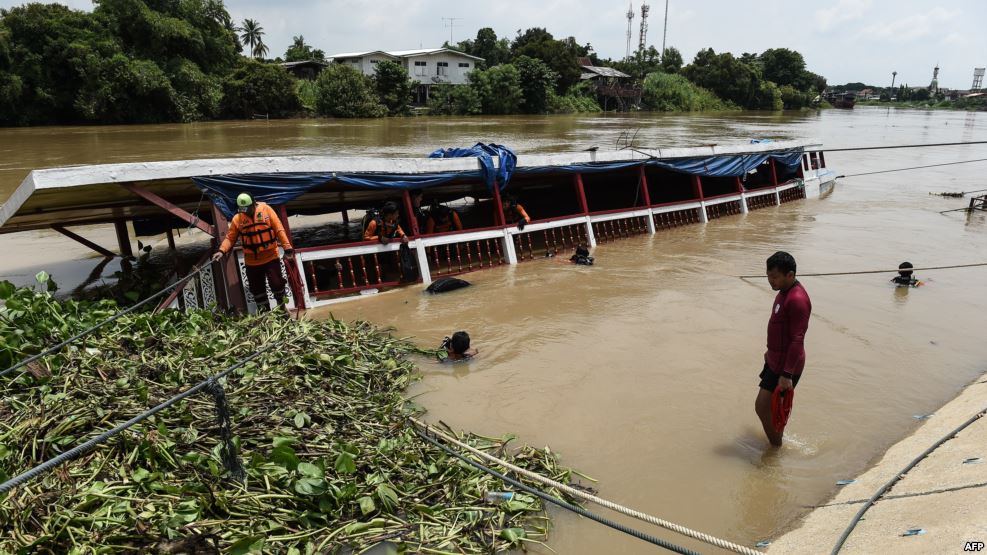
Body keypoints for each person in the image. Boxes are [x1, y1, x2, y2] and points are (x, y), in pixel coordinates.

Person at [755, 251, 811, 447]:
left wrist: (787, 375)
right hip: (774, 360)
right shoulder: (783, 291)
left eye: (775, 277)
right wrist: (769, 352)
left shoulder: (797, 299)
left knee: (764, 407)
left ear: (790, 275)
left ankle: (776, 450)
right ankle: (775, 444)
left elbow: (797, 339)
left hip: (787, 365)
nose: (771, 281)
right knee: (764, 407)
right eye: (769, 276)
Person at [212, 193, 294, 312]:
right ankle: (265, 314)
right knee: (257, 290)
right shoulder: (238, 219)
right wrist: (221, 251)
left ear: (254, 204)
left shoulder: (266, 210)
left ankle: (282, 308)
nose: (245, 212)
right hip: (252, 262)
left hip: (271, 257)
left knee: (277, 284)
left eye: (248, 209)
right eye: (243, 210)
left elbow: (279, 229)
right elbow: (230, 238)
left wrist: (288, 249)